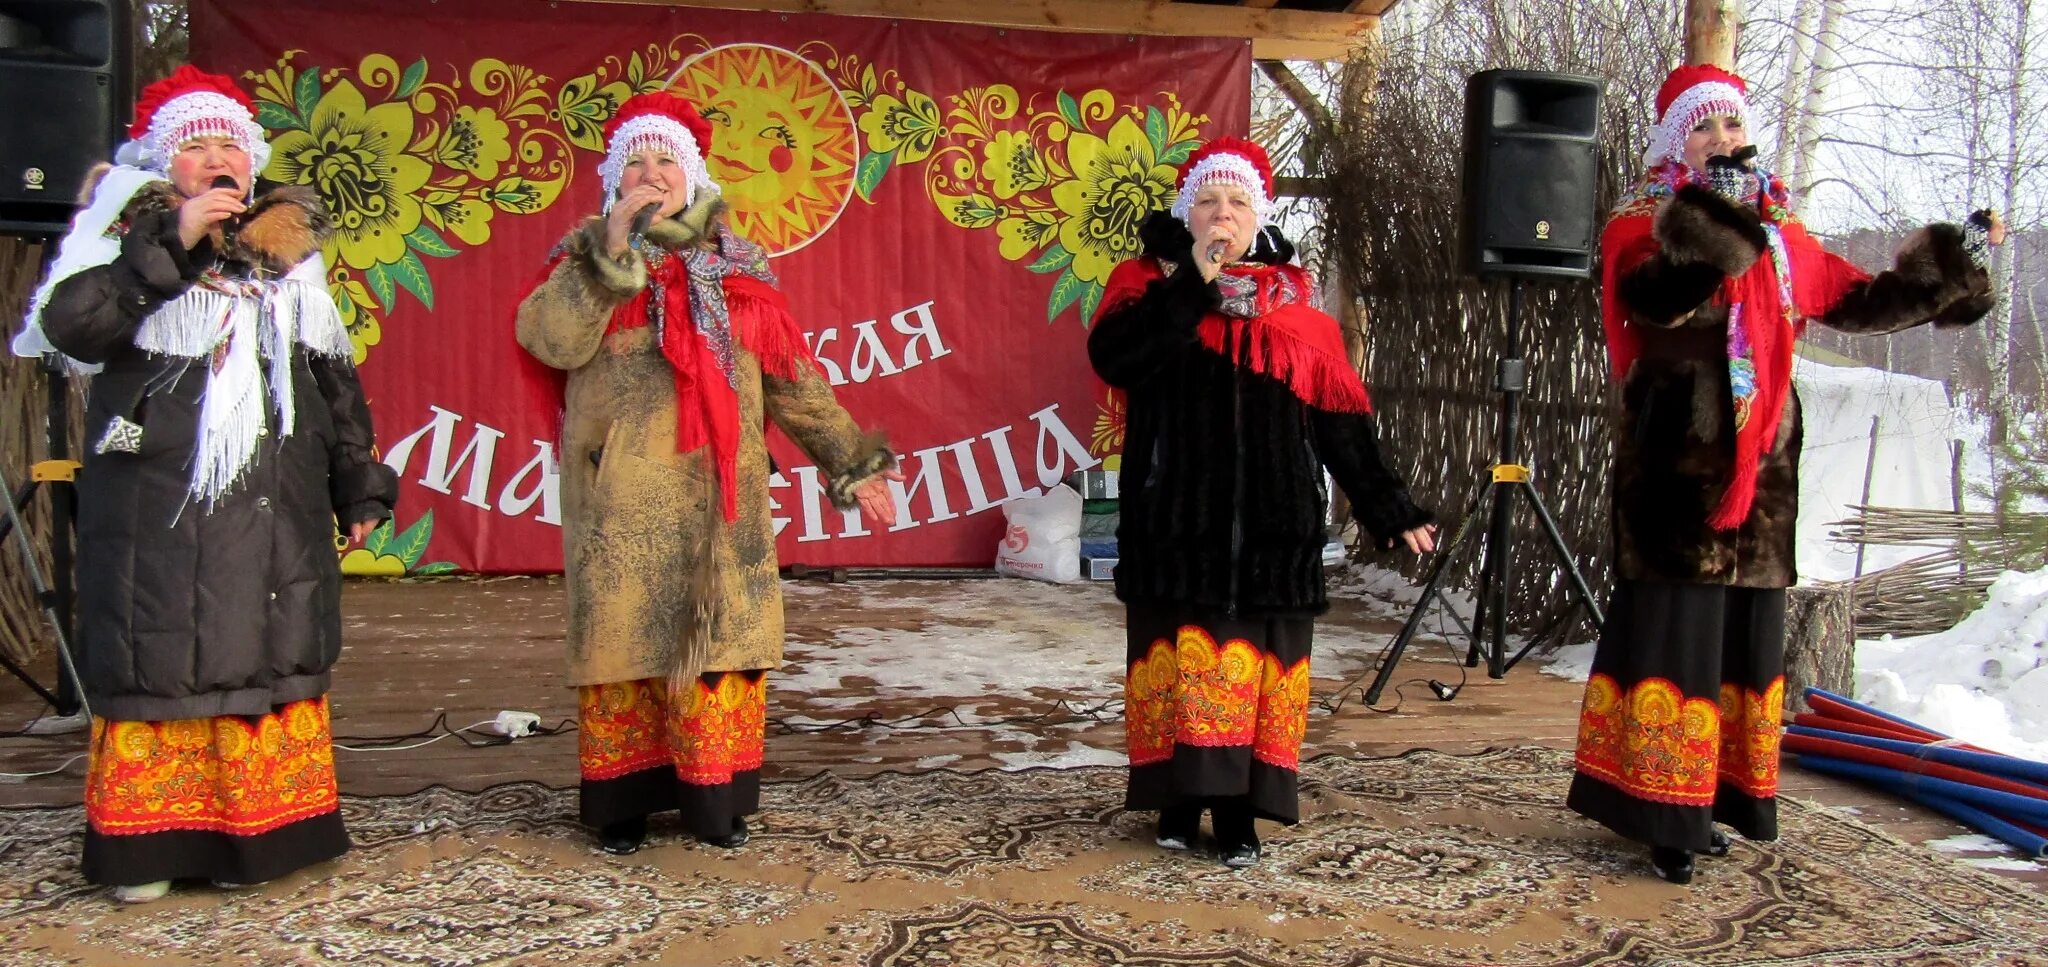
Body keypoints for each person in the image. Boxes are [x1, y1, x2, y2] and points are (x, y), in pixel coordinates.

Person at [1571, 64, 2001, 885]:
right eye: (1705, 129)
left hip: (1761, 459)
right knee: (1678, 630)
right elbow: (1657, 300)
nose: (1724, 140)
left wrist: (1954, 261)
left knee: (1740, 635)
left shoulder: (1781, 232)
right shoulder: (1639, 219)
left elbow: (1862, 300)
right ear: (1676, 141)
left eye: (1732, 126)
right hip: (1677, 453)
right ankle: (1663, 812)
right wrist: (1715, 220)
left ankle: (1711, 802)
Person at [11, 65, 397, 903]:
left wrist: (359, 488)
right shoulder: (122, 236)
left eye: (230, 143)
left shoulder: (290, 258)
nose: (217, 159)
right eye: (196, 146)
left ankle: (257, 835)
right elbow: (69, 327)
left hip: (276, 499)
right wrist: (173, 244)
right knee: (164, 643)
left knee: (265, 644)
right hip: (160, 496)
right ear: (164, 165)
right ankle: (148, 846)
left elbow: (333, 383)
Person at [516, 92, 899, 856]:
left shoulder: (740, 271)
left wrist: (853, 462)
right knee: (626, 641)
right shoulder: (584, 263)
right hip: (619, 496)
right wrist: (610, 254)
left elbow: (794, 381)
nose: (652, 176)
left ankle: (713, 803)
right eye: (637, 163)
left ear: (694, 178)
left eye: (667, 162)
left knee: (716, 642)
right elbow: (548, 340)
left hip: (720, 503)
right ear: (614, 181)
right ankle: (622, 806)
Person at [1088, 137, 1438, 868]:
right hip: (1177, 519)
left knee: (1257, 669)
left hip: (1277, 527)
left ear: (1259, 217)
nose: (1224, 214)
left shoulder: (1300, 309)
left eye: (1238, 201)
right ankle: (1179, 802)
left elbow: (1341, 424)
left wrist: (1391, 506)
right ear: (1188, 215)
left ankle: (1243, 811)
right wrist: (1194, 282)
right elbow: (1116, 358)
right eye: (1210, 201)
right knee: (1183, 663)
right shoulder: (1145, 286)